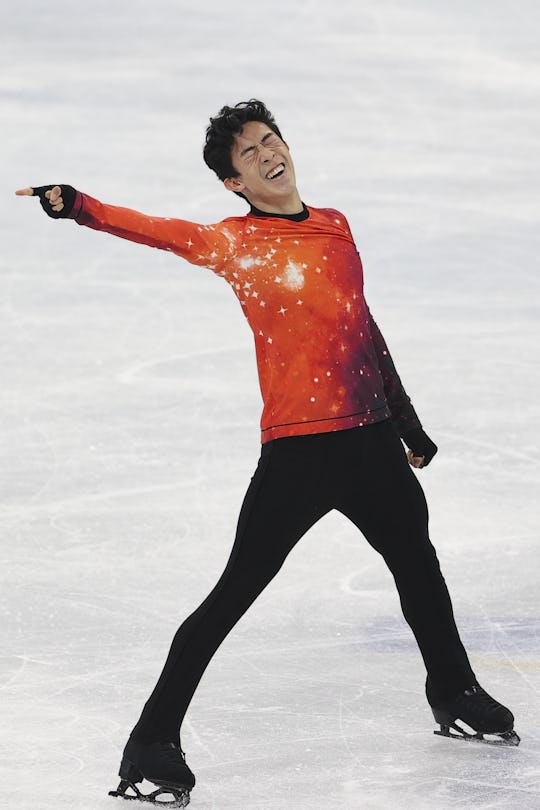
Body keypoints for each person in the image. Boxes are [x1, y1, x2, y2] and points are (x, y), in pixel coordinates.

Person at [16, 99, 519, 806]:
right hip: (300, 453)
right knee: (235, 591)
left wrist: (406, 422)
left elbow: (362, 329)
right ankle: (152, 741)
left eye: (270, 139)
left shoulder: (337, 227)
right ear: (234, 184)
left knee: (419, 567)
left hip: (371, 440)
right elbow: (159, 231)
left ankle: (455, 690)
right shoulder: (234, 242)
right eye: (248, 154)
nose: (267, 154)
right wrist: (80, 206)